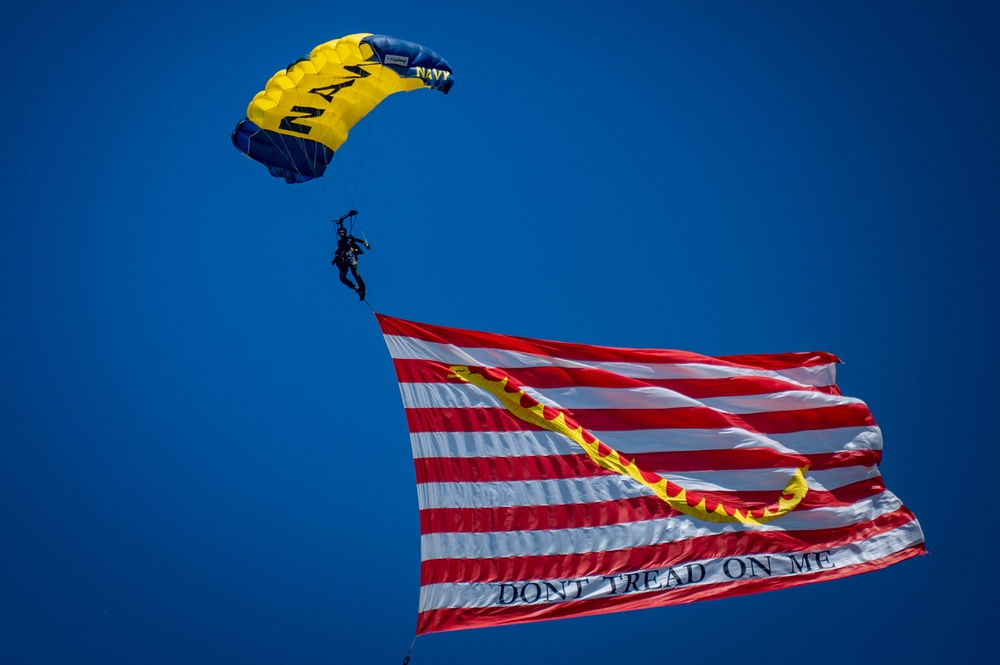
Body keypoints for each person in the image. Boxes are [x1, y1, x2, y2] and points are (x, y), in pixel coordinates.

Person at [332, 211, 371, 300]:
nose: (341, 234)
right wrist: (335, 259)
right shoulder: (340, 242)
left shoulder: (350, 238)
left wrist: (366, 244)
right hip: (344, 260)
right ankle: (356, 288)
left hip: (351, 257)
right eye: (340, 233)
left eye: (343, 232)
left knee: (355, 274)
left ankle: (363, 289)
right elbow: (338, 251)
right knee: (342, 278)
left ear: (345, 232)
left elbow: (359, 241)